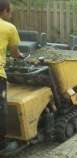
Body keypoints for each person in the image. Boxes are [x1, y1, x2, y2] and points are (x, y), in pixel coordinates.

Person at [0, 0, 23, 147]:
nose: (11, 14)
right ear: (5, 11)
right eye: (10, 11)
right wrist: (19, 56)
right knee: (1, 108)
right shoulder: (9, 28)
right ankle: (2, 143)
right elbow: (15, 53)